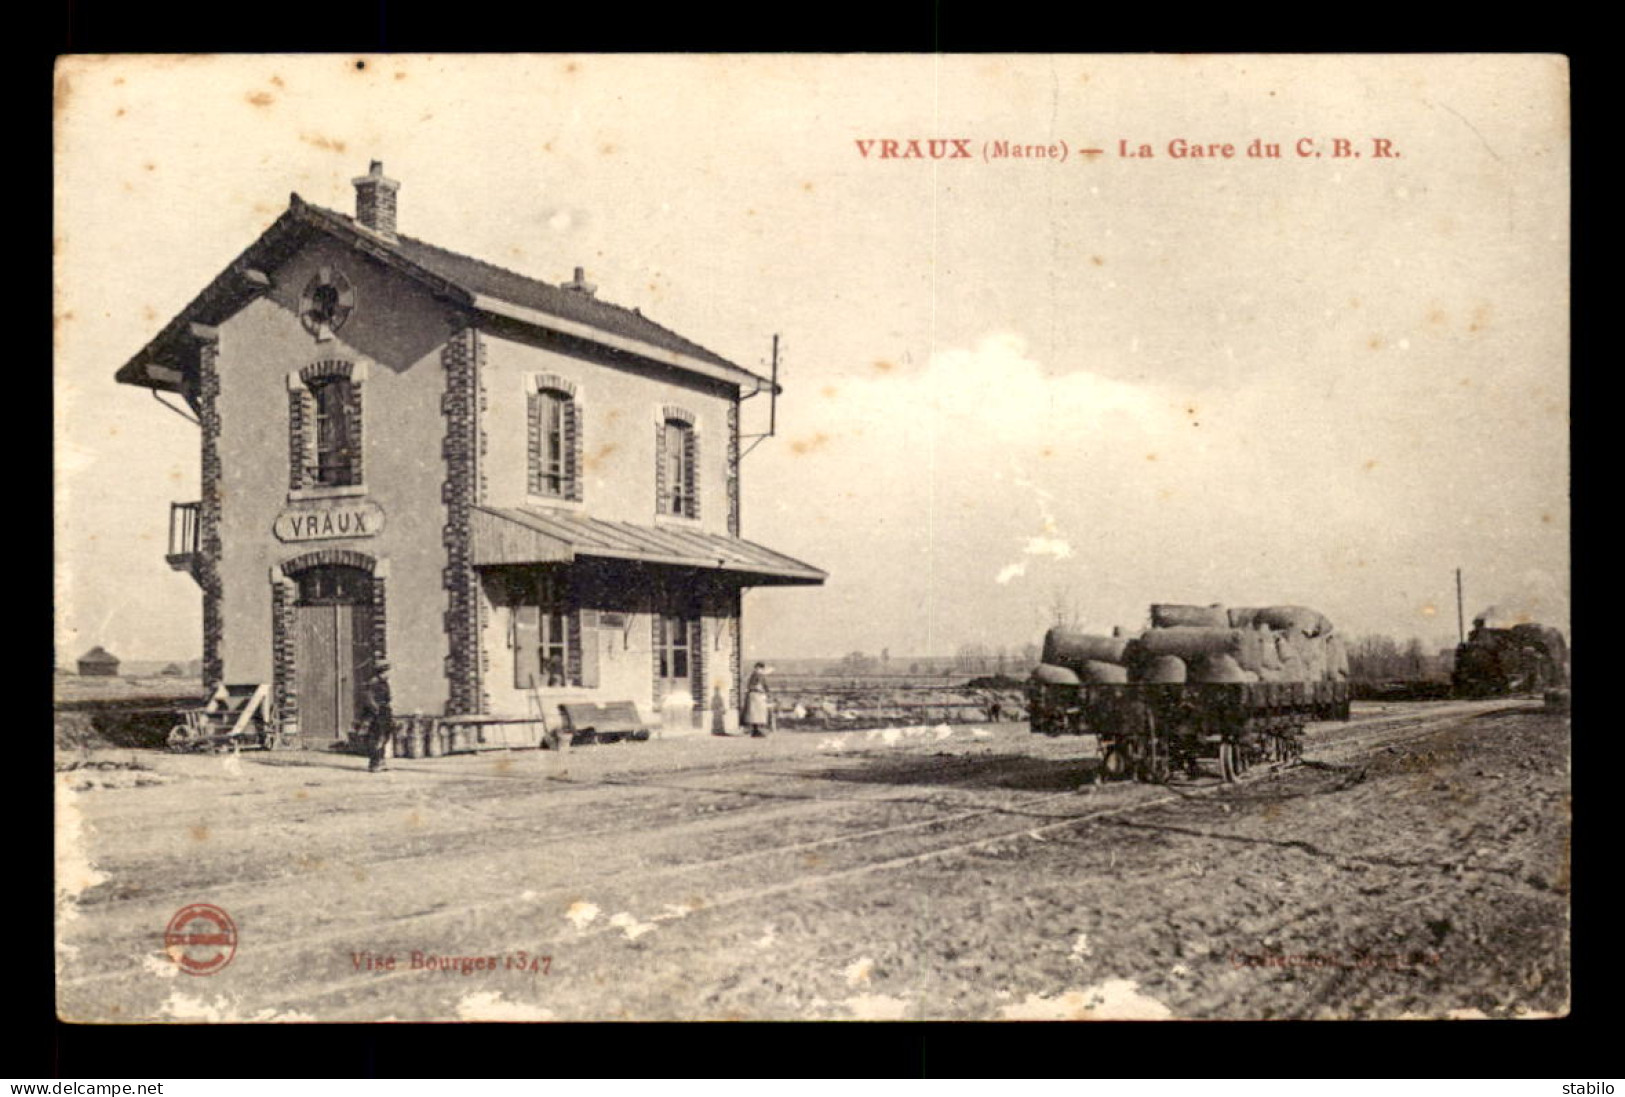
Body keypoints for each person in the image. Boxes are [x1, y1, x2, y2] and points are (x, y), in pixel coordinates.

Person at [360, 661, 394, 773]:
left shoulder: (384, 683)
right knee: (377, 737)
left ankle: (381, 761)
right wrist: (376, 709)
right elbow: (369, 698)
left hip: (385, 711)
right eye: (386, 671)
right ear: (381, 672)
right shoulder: (374, 682)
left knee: (385, 736)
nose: (388, 674)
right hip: (376, 713)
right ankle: (374, 763)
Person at [744, 663, 772, 738]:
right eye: (758, 668)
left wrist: (767, 693)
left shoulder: (761, 676)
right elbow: (750, 686)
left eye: (760, 668)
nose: (759, 670)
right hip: (754, 695)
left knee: (760, 713)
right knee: (754, 714)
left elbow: (766, 686)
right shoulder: (753, 676)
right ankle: (755, 730)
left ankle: (757, 730)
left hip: (760, 696)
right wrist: (756, 687)